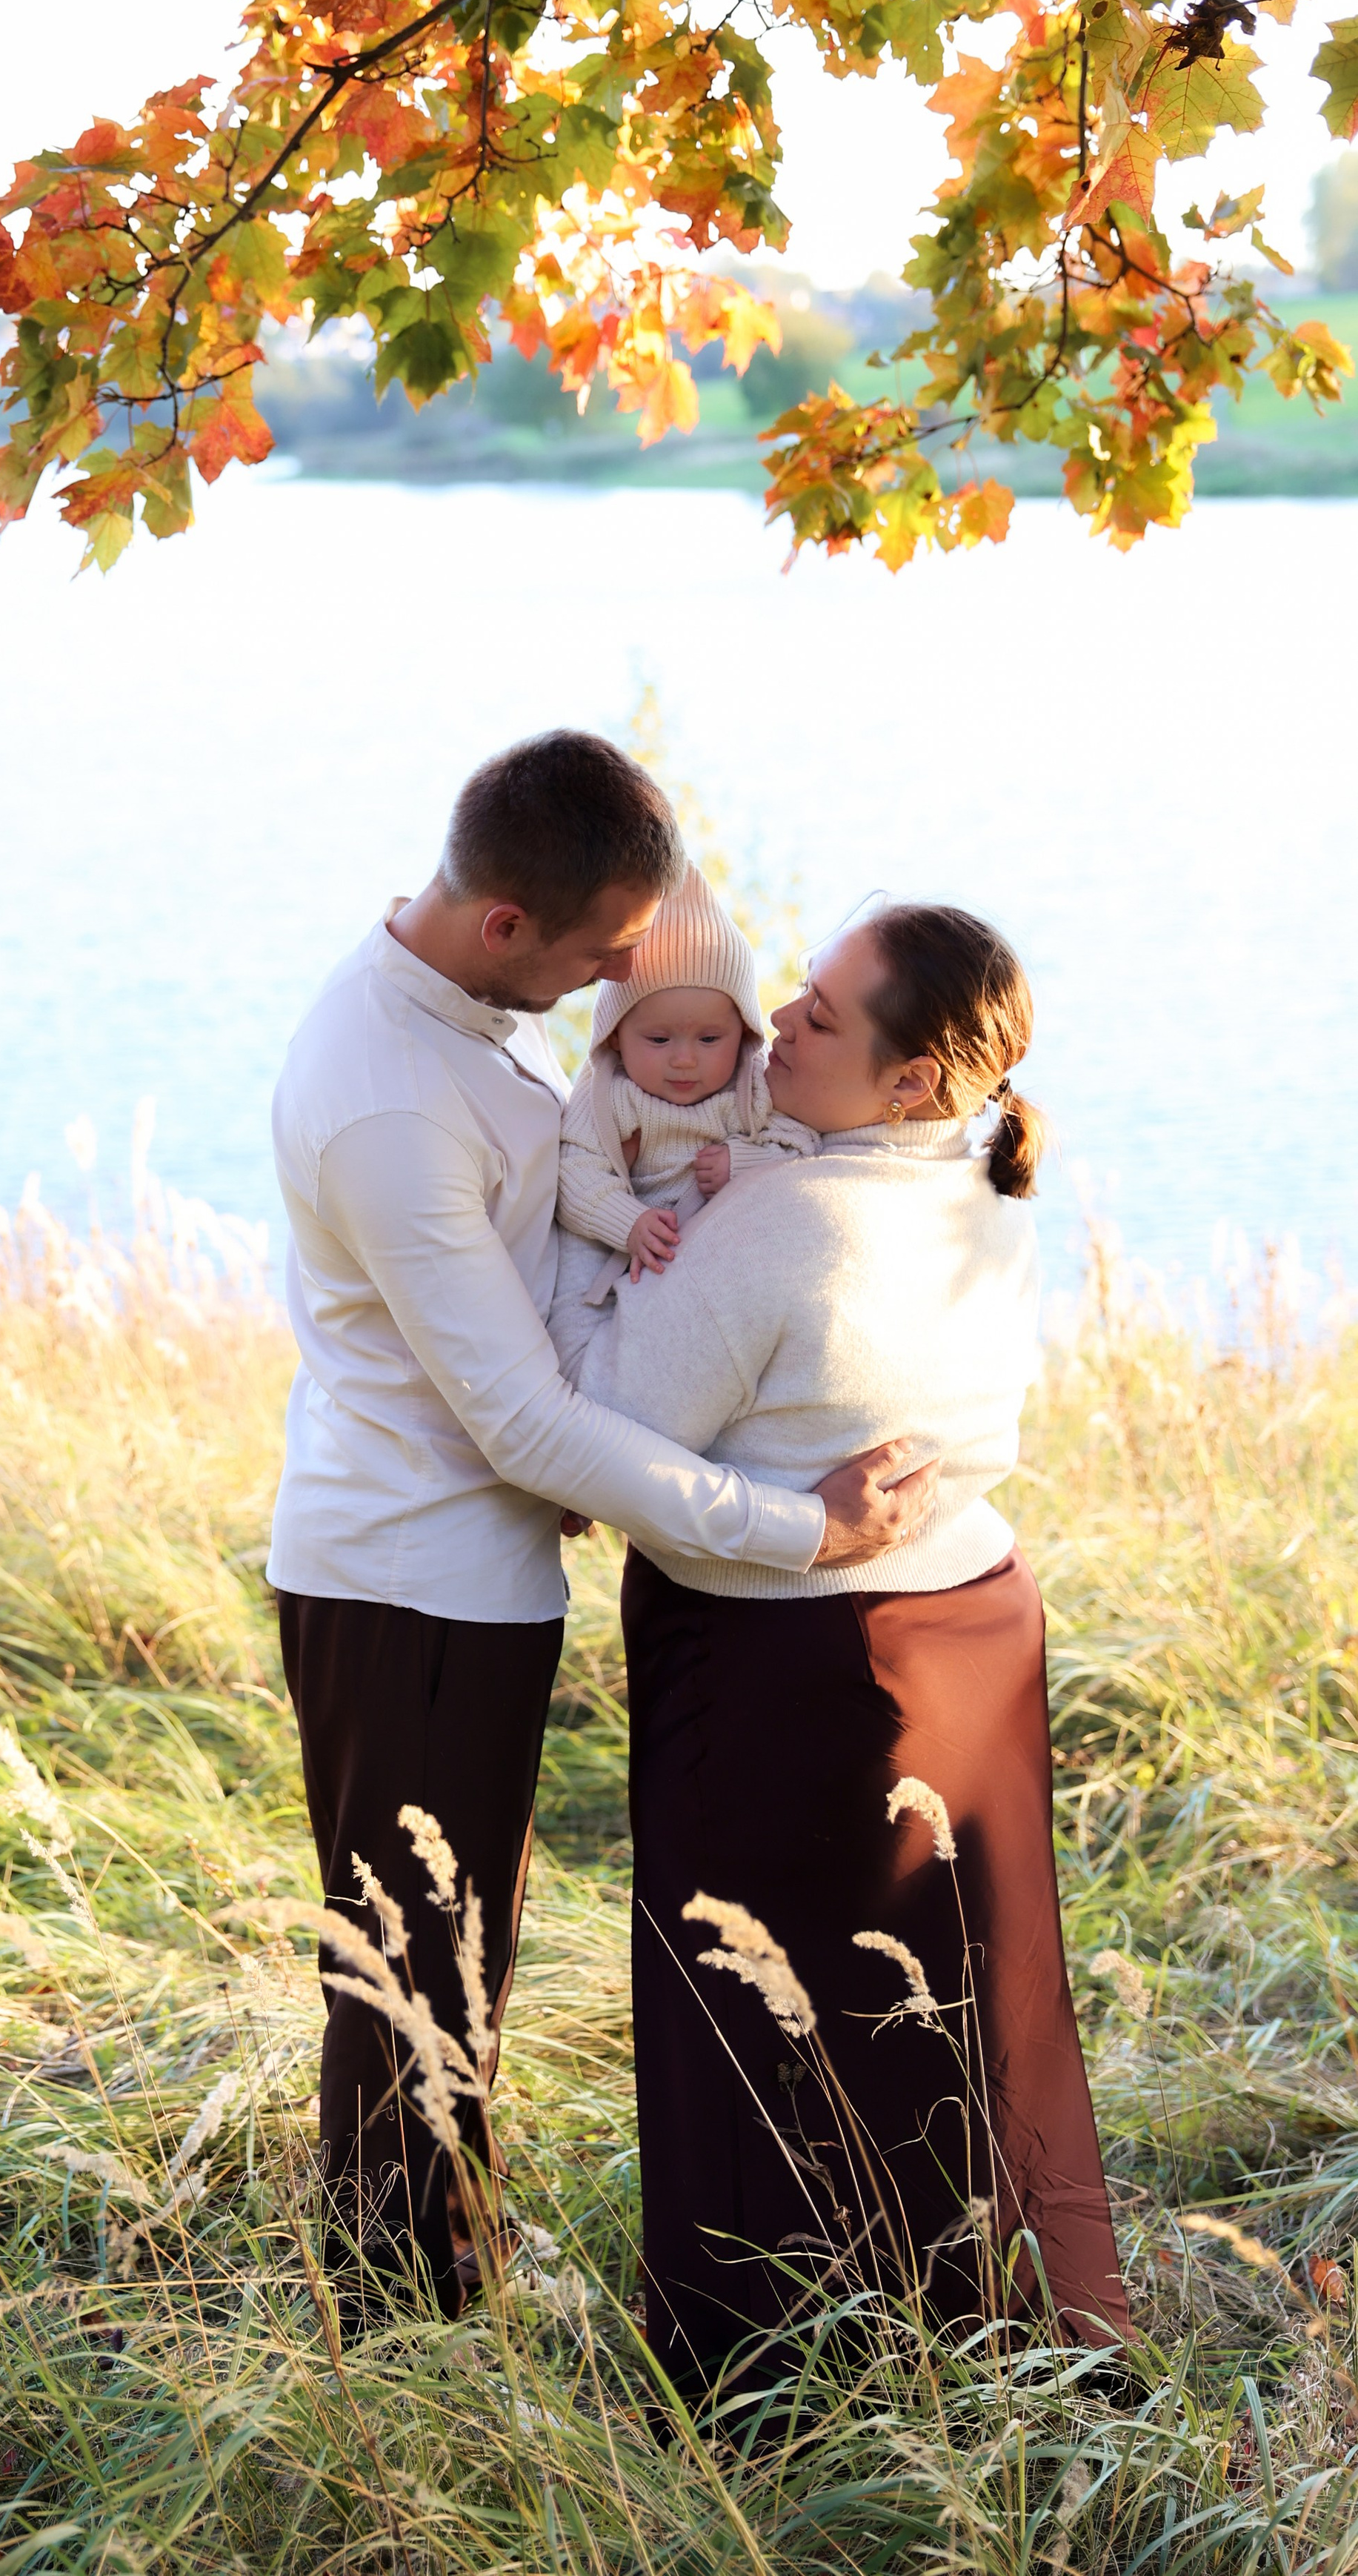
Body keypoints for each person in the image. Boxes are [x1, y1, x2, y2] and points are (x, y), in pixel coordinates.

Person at [267, 732, 938, 2320]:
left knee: (453, 1951)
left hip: (460, 1570)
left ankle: (446, 2259)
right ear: (509, 928)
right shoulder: (388, 1104)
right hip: (412, 1582)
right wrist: (793, 1530)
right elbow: (517, 1421)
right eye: (590, 959)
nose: (606, 989)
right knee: (409, 1970)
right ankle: (402, 2320)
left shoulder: (466, 1014)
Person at [553, 902, 1129, 2397]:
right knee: (964, 2012)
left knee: (767, 2025)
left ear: (912, 1081)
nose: (776, 1028)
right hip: (973, 1627)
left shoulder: (776, 1224)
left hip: (788, 1667)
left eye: (819, 1016)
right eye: (795, 995)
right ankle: (1012, 2334)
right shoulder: (981, 1178)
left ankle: (779, 2381)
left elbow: (600, 1430)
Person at [556, 862, 818, 1295]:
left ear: (745, 1035)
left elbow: (804, 1146)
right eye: (658, 1039)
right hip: (638, 1267)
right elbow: (573, 1175)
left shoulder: (751, 1086)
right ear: (616, 1036)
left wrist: (744, 1163)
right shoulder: (611, 1093)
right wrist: (628, 1221)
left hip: (727, 1268)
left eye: (711, 1038)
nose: (683, 1060)